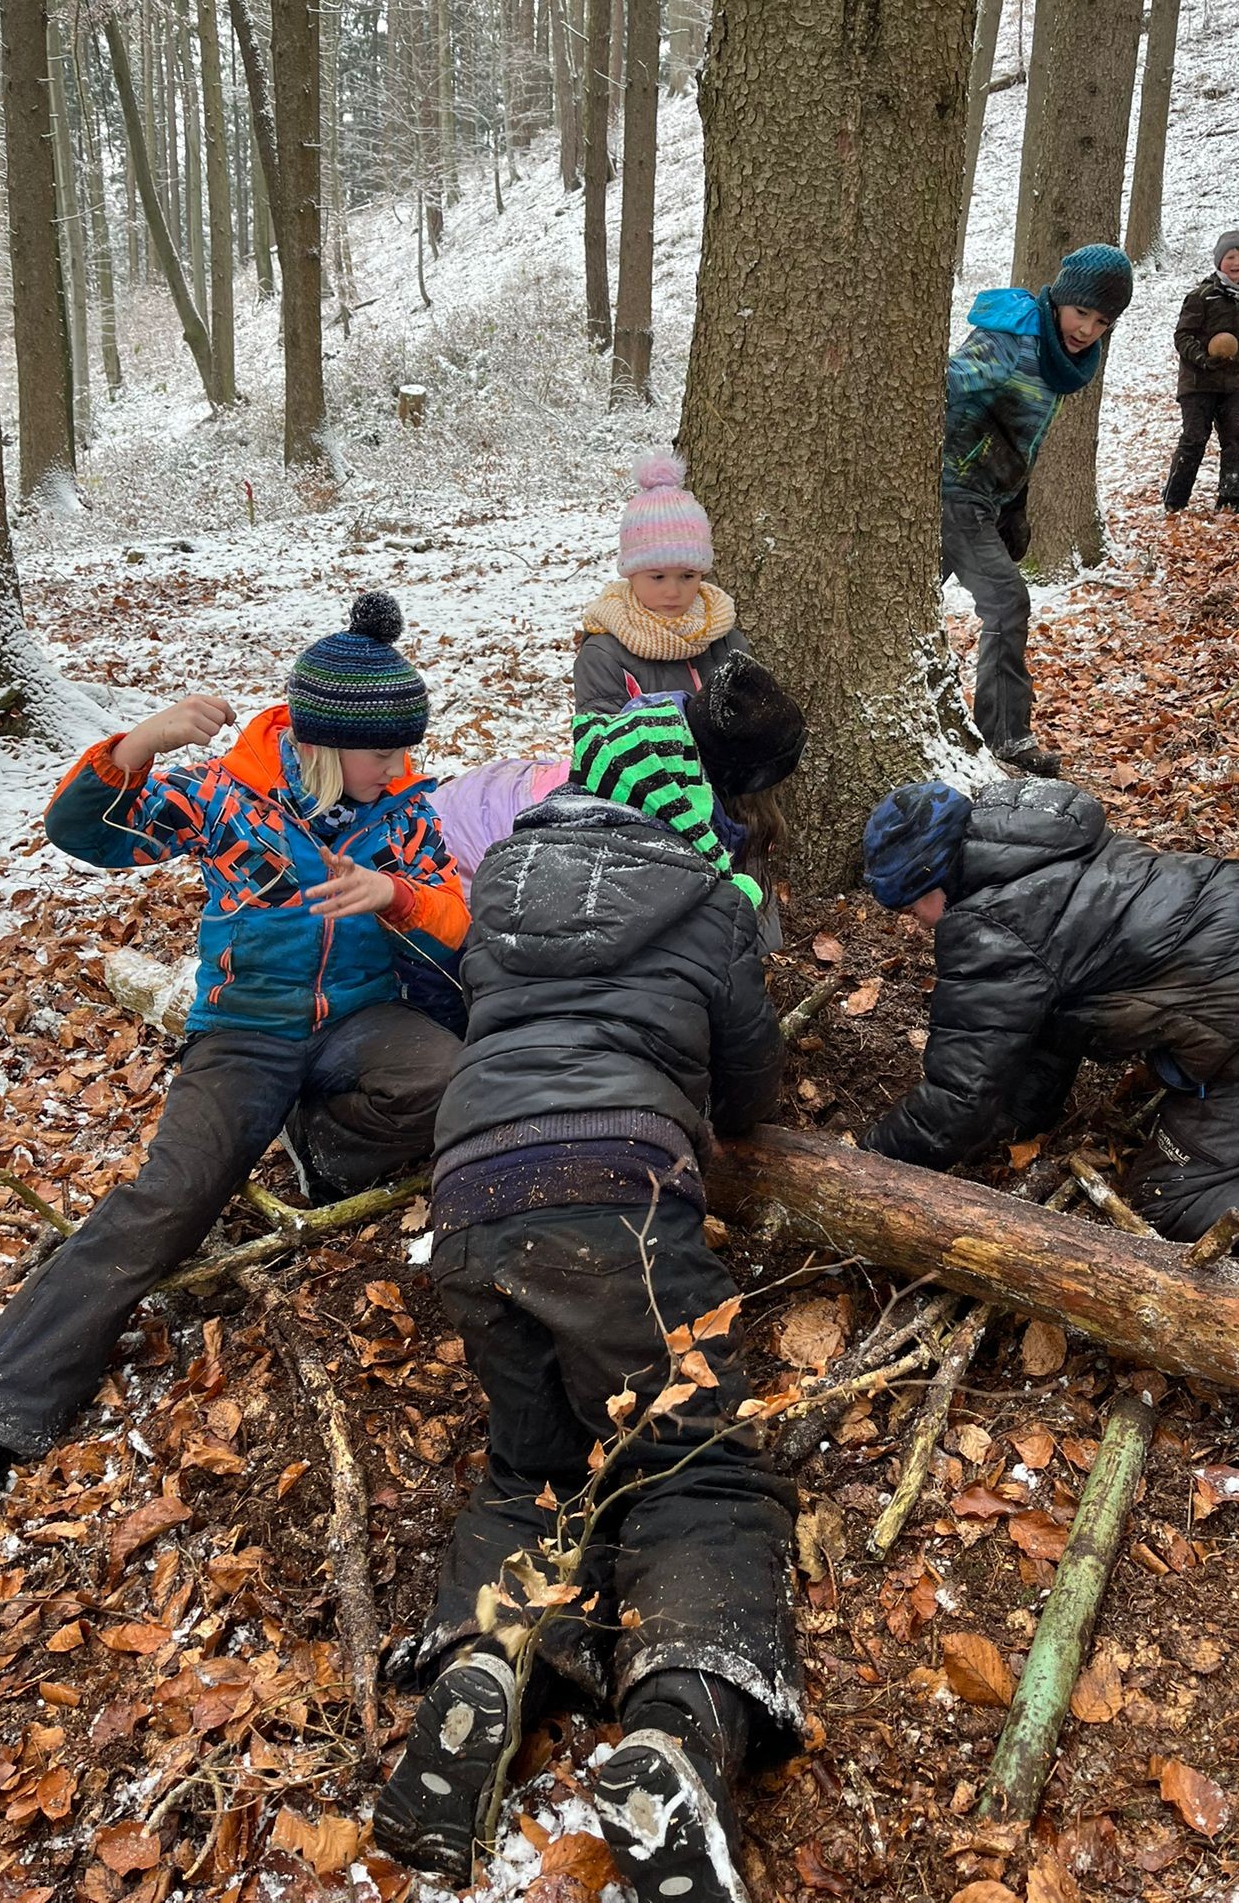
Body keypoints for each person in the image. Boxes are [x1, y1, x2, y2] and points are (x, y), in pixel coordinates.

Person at [0, 595, 467, 1535]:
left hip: (361, 1022)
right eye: (381, 753)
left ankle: (321, 1155)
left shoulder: (405, 811)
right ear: (330, 745)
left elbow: (454, 920)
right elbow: (83, 834)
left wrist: (400, 898)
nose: (398, 767)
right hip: (244, 1030)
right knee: (171, 1197)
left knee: (449, 1082)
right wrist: (137, 747)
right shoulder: (227, 799)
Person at [373, 697, 803, 1903]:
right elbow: (753, 1086)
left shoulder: (502, 880)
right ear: (683, 803)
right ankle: (680, 1725)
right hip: (617, 1190)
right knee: (696, 1460)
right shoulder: (713, 905)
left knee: (536, 1464)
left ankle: (485, 1661)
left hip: (467, 1193)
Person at [858, 776, 1239, 1275]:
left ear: (935, 881)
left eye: (912, 908)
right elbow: (1051, 1028)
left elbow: (957, 1095)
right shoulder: (1047, 854)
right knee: (1236, 1147)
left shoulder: (990, 926)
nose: (915, 925)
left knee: (1171, 1197)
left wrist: (868, 1164)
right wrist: (1018, 1121)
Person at [433, 652, 805, 942]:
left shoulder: (656, 746)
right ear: (743, 784)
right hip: (456, 858)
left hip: (483, 802)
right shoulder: (668, 819)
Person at [941, 242, 1136, 778]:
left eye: (1102, 321)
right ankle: (1006, 736)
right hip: (952, 492)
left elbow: (1022, 437)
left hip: (984, 495)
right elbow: (938, 388)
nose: (1087, 330)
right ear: (1059, 301)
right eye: (1081, 313)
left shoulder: (1057, 356)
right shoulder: (1011, 340)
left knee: (901, 602)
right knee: (1007, 602)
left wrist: (1015, 505)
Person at [575, 453, 750, 714]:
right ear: (631, 573)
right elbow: (605, 743)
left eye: (687, 576)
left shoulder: (725, 640)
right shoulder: (604, 656)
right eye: (657, 577)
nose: (673, 591)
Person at [1163, 230, 1239, 516]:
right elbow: (1182, 337)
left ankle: (1233, 498)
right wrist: (1204, 359)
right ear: (1220, 260)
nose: (1237, 262)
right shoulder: (1201, 296)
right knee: (1194, 439)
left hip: (1233, 383)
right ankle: (1175, 501)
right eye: (1231, 256)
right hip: (1198, 382)